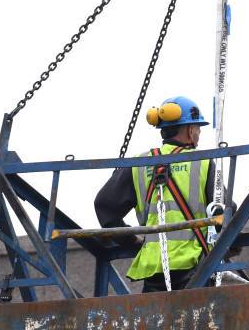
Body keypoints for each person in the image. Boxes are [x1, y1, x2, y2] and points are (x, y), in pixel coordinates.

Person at [94, 95, 220, 292]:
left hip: (154, 267)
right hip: (193, 264)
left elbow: (105, 206)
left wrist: (131, 239)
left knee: (156, 321)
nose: (199, 133)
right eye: (198, 128)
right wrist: (231, 244)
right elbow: (223, 210)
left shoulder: (139, 164)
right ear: (189, 130)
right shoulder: (202, 162)